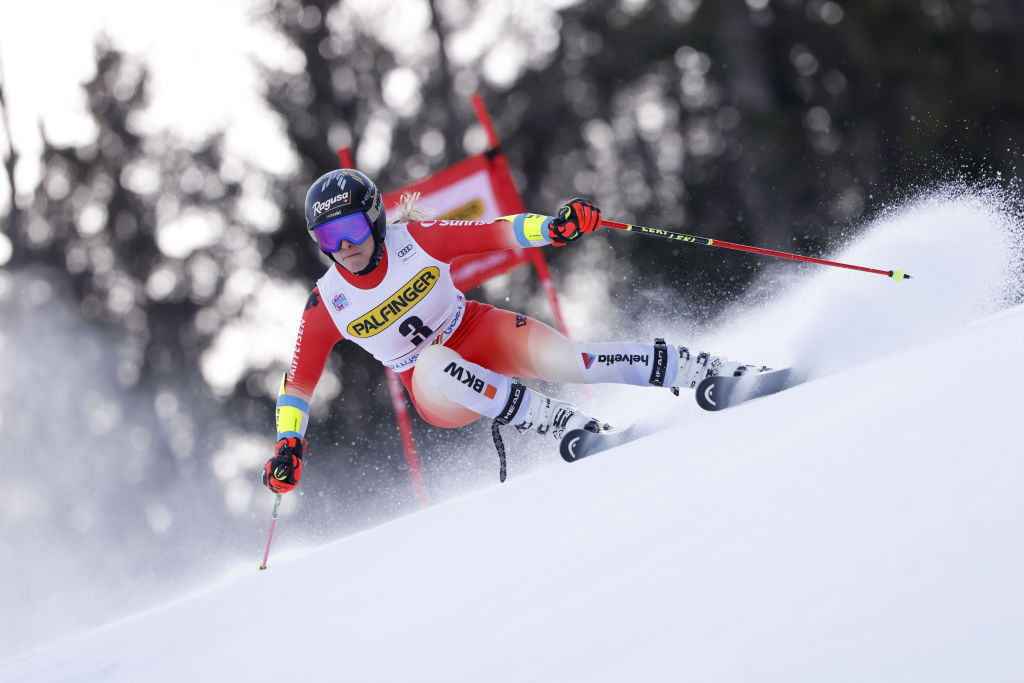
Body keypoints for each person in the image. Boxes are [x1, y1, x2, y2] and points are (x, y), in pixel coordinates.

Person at [263, 168, 763, 493]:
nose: (344, 245)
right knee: (434, 363)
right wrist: (290, 446)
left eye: (351, 228)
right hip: (433, 387)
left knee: (577, 362)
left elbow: (499, 228)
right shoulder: (327, 302)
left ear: (374, 220)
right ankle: (563, 424)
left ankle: (709, 369)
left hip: (478, 329)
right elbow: (297, 385)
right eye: (329, 237)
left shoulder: (415, 239)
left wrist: (556, 227)